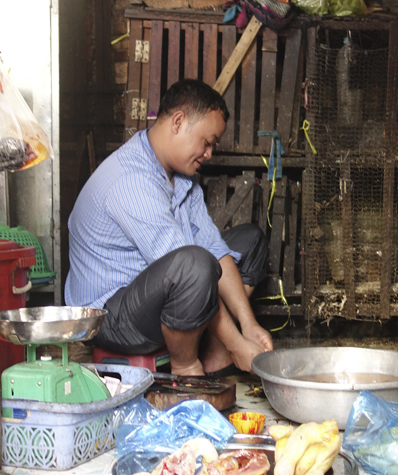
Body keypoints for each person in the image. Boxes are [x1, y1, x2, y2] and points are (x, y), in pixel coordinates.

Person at [64, 78, 273, 376]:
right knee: (194, 266)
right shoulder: (132, 179)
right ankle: (186, 367)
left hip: (157, 294)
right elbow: (191, 268)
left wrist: (249, 324)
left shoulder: (182, 179)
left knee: (249, 241)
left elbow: (215, 248)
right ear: (178, 122)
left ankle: (215, 350)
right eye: (207, 142)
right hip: (110, 318)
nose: (209, 153)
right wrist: (238, 344)